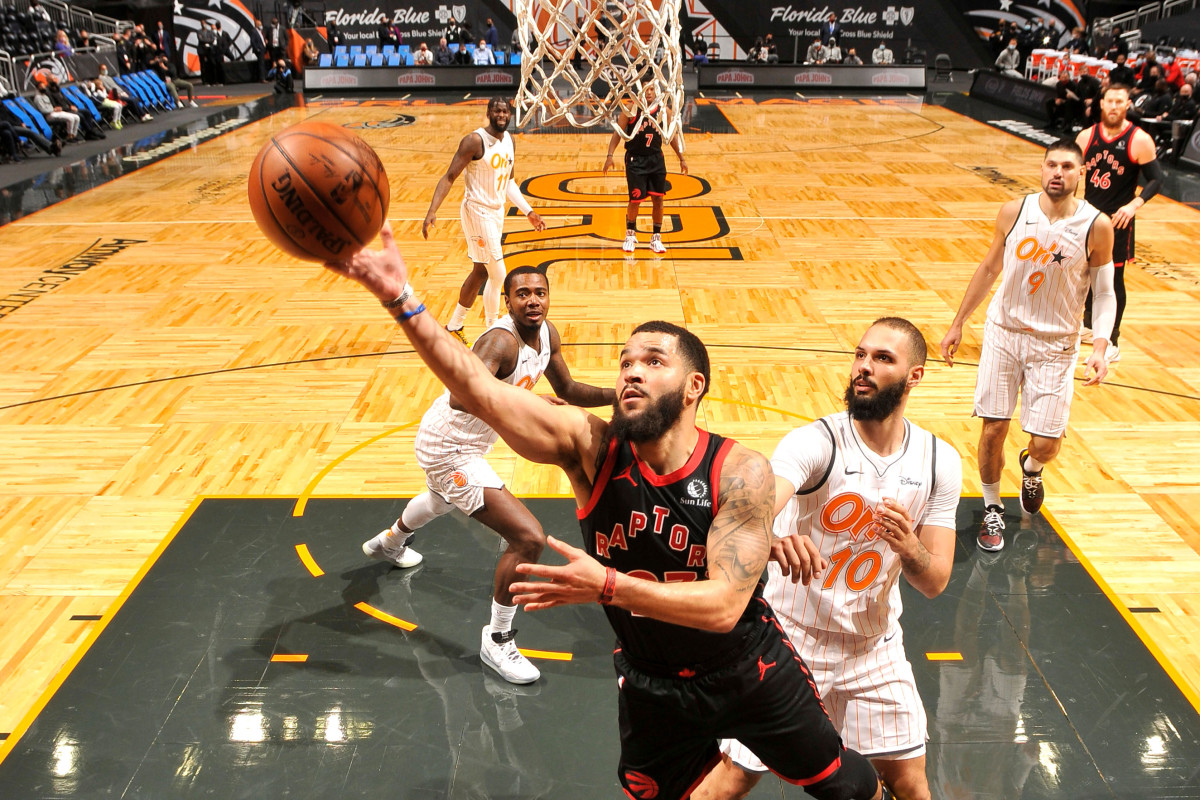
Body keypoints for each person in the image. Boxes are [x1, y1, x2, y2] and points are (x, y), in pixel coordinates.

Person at [323, 230, 895, 800]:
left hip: (748, 670)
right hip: (651, 680)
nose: (631, 371)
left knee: (845, 787)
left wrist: (607, 584)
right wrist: (402, 299)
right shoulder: (590, 449)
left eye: (653, 361)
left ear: (694, 386)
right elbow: (475, 387)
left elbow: (722, 607)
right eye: (624, 362)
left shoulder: (737, 470)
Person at [692, 318, 962, 800]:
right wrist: (770, 538)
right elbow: (753, 510)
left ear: (914, 376)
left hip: (873, 646)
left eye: (882, 359)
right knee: (732, 778)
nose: (863, 367)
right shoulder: (816, 443)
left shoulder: (939, 461)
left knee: (910, 784)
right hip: (791, 640)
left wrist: (910, 547)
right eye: (860, 355)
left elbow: (936, 579)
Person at [362, 267, 615, 684]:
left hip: (469, 444)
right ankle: (497, 639)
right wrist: (527, 403)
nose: (533, 300)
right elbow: (464, 396)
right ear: (507, 300)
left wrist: (619, 398)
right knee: (527, 537)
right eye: (522, 294)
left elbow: (569, 390)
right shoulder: (499, 342)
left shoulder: (547, 334)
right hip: (449, 447)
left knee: (441, 499)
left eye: (540, 293)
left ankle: (391, 542)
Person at [940, 140, 1116, 553]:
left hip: (1056, 344)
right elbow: (988, 268)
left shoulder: (1097, 225)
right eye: (1051, 164)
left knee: (1046, 441)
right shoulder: (1014, 211)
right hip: (1004, 332)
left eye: (1067, 166)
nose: (1058, 172)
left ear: (1081, 172)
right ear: (1041, 168)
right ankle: (991, 507)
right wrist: (957, 322)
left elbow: (1105, 293)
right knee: (994, 427)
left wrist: (1101, 345)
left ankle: (1032, 467)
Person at [421, 98, 546, 346]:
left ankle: (455, 325)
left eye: (505, 111)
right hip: (477, 211)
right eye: (497, 110)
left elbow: (509, 183)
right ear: (489, 113)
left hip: (496, 212)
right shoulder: (474, 141)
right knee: (498, 272)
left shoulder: (509, 140)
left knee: (480, 271)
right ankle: (494, 329)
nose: (502, 114)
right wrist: (432, 210)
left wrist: (529, 211)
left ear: (510, 114)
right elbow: (449, 176)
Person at [1076, 83, 1162, 363]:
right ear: (1101, 104)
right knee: (1083, 275)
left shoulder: (1139, 139)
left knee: (1112, 281)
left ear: (1127, 105)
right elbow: (1074, 173)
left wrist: (1134, 205)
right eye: (1109, 101)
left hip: (1117, 223)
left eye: (1119, 101)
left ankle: (1112, 339)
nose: (1113, 106)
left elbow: (1157, 179)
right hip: (1087, 219)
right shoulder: (1086, 137)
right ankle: (1089, 325)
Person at [603, 83, 688, 254]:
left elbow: (671, 136)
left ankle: (656, 238)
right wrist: (610, 156)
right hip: (636, 160)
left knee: (658, 200)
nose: (649, 93)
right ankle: (630, 234)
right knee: (635, 200)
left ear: (656, 91)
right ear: (639, 91)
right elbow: (618, 133)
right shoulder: (631, 109)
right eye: (645, 89)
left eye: (651, 89)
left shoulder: (664, 111)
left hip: (656, 160)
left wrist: (681, 158)